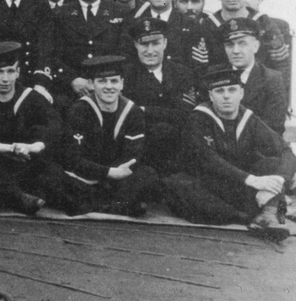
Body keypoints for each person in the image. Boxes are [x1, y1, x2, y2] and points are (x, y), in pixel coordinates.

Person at [161, 66, 294, 240]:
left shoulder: (248, 118)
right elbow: (208, 160)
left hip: (236, 185)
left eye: (232, 90)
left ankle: (265, 213)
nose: (226, 96)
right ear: (210, 96)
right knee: (176, 186)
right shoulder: (198, 118)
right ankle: (253, 215)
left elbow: (285, 148)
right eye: (219, 91)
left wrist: (280, 179)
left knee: (274, 164)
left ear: (241, 93)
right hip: (207, 182)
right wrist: (254, 180)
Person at [0, 41, 64, 215]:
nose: (5, 79)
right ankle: (16, 196)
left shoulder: (32, 97)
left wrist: (36, 145)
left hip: (22, 160)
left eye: (10, 71)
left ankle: (0, 193)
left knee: (52, 173)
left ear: (18, 72)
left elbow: (55, 123)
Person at [48, 56, 158, 217]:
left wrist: (113, 175)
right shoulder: (79, 109)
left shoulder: (133, 112)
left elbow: (132, 157)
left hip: (117, 180)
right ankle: (117, 206)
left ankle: (95, 205)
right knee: (49, 174)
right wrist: (108, 172)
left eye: (114, 81)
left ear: (122, 84)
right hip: (84, 178)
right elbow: (73, 159)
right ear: (91, 84)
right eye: (102, 81)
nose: (109, 87)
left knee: (148, 174)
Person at [50, 0, 133, 105]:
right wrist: (72, 79)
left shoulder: (121, 12)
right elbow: (53, 54)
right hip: (72, 91)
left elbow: (126, 53)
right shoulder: (59, 14)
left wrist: (105, 81)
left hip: (111, 88)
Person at [121, 17, 198, 173]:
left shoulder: (183, 73)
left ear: (165, 43)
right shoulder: (126, 75)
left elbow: (185, 114)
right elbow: (128, 117)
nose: (150, 51)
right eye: (144, 44)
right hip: (141, 148)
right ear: (135, 45)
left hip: (178, 148)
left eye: (155, 44)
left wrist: (144, 110)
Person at [219, 18, 290, 134]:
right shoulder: (215, 76)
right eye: (230, 45)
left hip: (259, 148)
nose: (236, 51)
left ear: (255, 46)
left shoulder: (272, 80)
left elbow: (274, 128)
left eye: (242, 44)